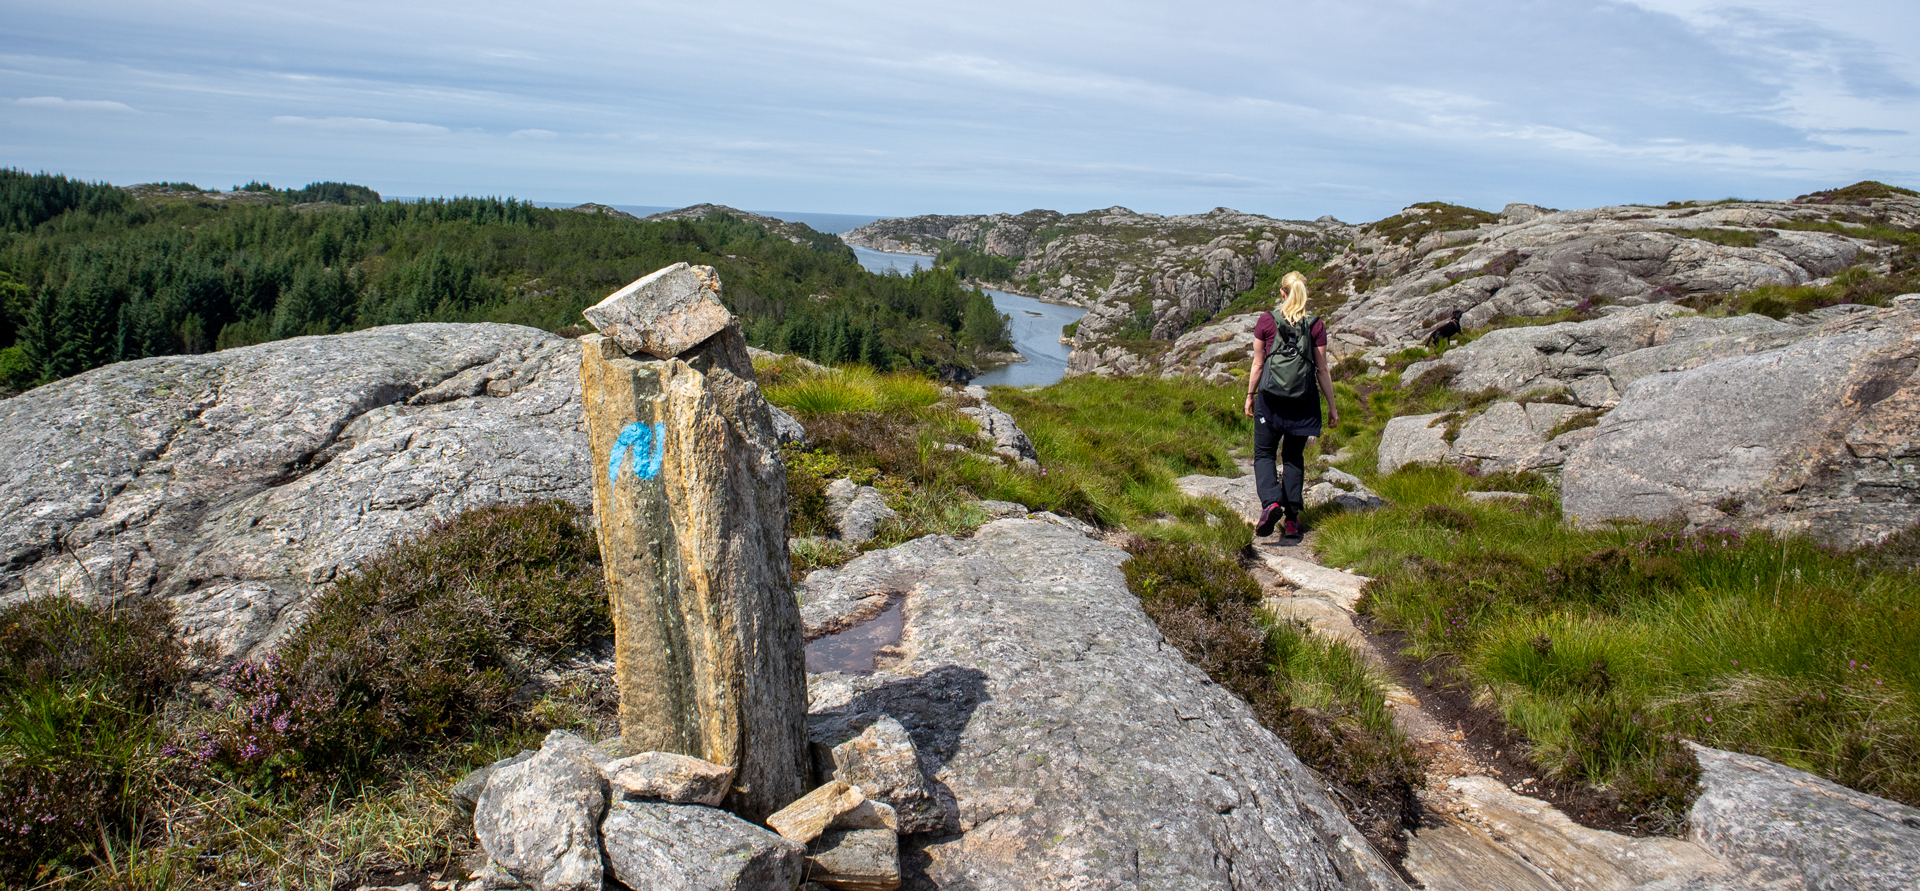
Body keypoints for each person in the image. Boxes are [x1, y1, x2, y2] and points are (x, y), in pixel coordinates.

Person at [1244, 271, 1339, 538]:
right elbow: (1322, 370)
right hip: (1303, 402)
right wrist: (1332, 407)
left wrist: (1250, 395)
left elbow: (1258, 364)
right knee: (1294, 457)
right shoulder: (1316, 325)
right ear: (1304, 293)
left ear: (1283, 293)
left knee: (1264, 454)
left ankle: (1272, 502)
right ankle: (1291, 520)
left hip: (1270, 401)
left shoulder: (1266, 320)